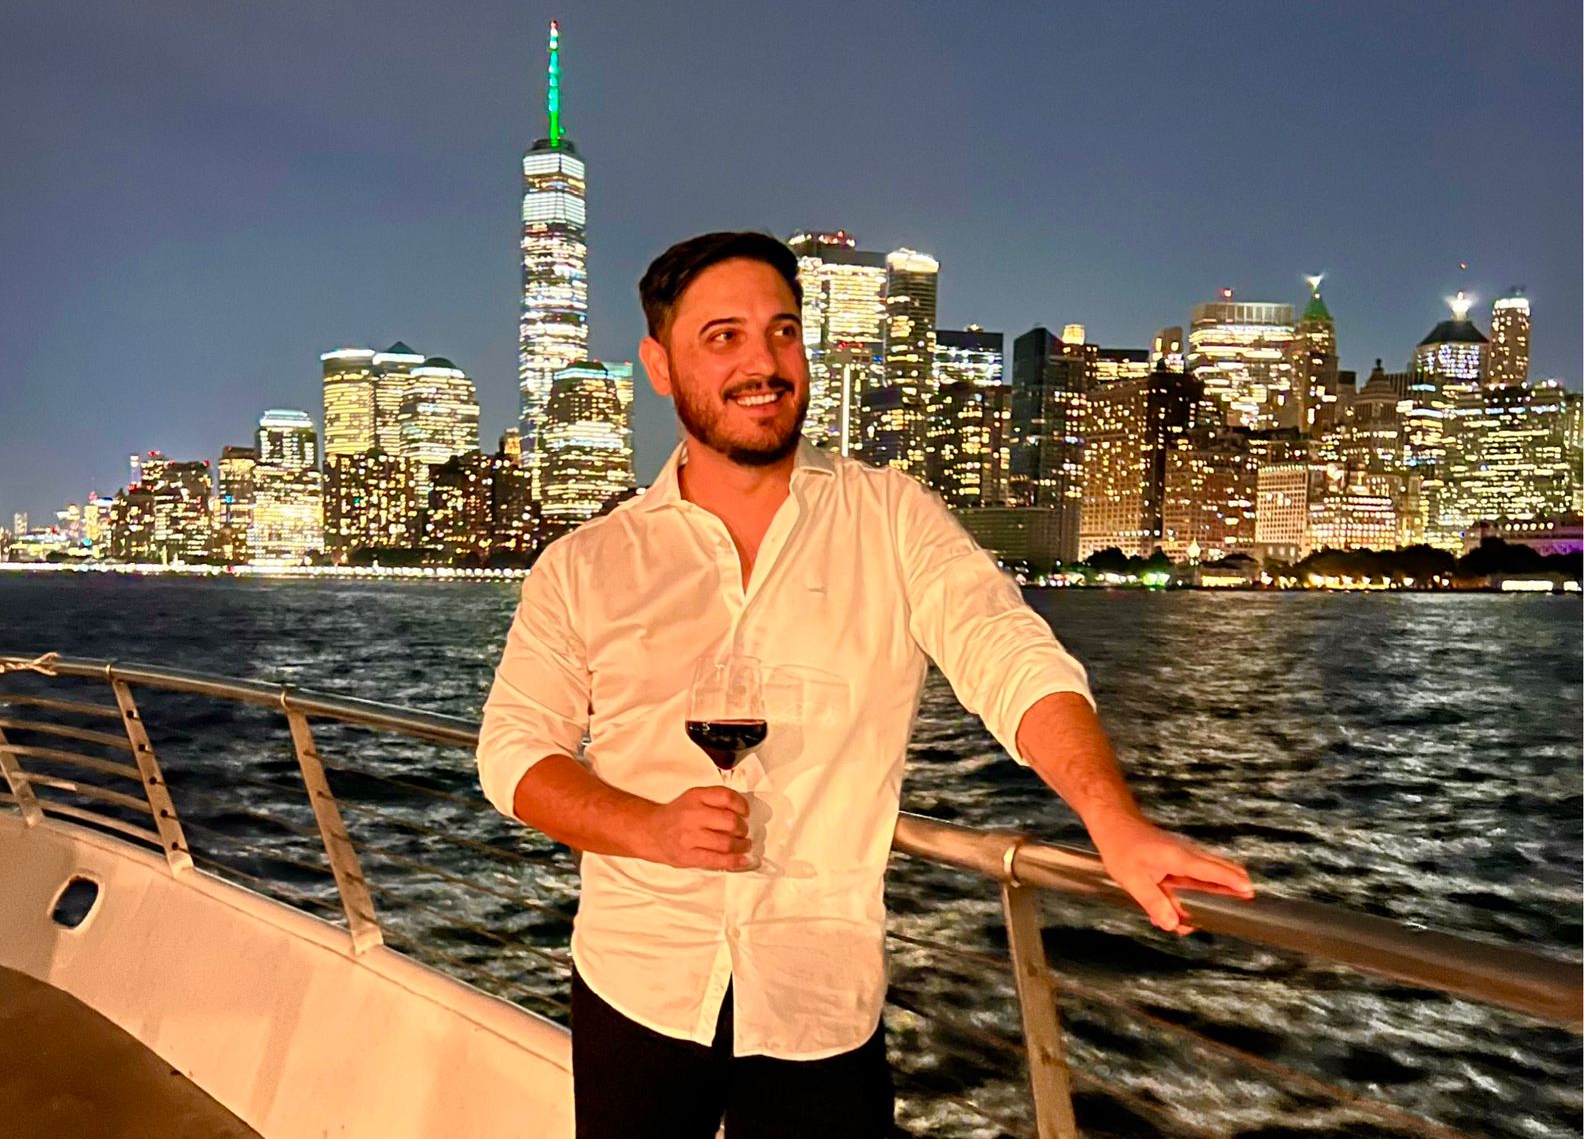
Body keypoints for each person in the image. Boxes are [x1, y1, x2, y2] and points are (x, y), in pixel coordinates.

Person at [476, 230, 1254, 1139]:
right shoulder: (586, 563)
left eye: (783, 331)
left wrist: (1109, 818)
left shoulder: (891, 517)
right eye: (723, 337)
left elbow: (1011, 657)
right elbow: (514, 753)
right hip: (636, 982)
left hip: (818, 1002)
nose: (763, 363)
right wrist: (647, 828)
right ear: (658, 366)